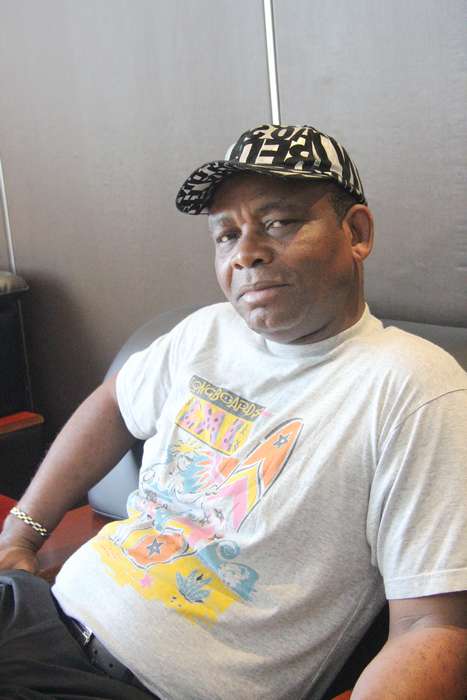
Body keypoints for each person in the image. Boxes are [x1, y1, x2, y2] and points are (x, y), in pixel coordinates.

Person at [0, 123, 466, 700]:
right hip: (41, 612)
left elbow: (432, 627)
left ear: (356, 233)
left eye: (279, 222)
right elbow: (115, 404)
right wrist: (21, 534)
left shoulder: (414, 387)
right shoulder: (205, 332)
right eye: (227, 234)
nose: (246, 253)